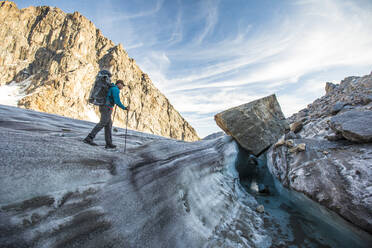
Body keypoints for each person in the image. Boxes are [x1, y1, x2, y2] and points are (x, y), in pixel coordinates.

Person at [84, 80, 128, 148]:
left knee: (108, 125)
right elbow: (117, 101)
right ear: (119, 84)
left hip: (105, 106)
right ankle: (89, 138)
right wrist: (124, 108)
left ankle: (109, 143)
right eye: (122, 85)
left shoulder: (111, 88)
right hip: (107, 108)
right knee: (102, 123)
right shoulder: (115, 89)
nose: (122, 87)